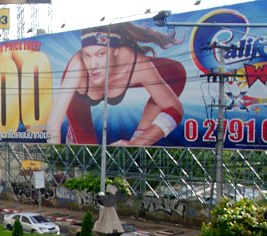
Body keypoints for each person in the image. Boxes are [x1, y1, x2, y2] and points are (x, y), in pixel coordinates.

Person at [45, 24, 185, 146]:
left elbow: (175, 108)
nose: (93, 65)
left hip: (124, 72)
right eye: (87, 55)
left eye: (101, 54)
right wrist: (54, 159)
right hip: (77, 96)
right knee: (88, 149)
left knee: (175, 71)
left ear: (116, 50)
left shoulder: (135, 64)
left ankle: (138, 139)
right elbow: (53, 124)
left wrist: (138, 142)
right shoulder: (78, 66)